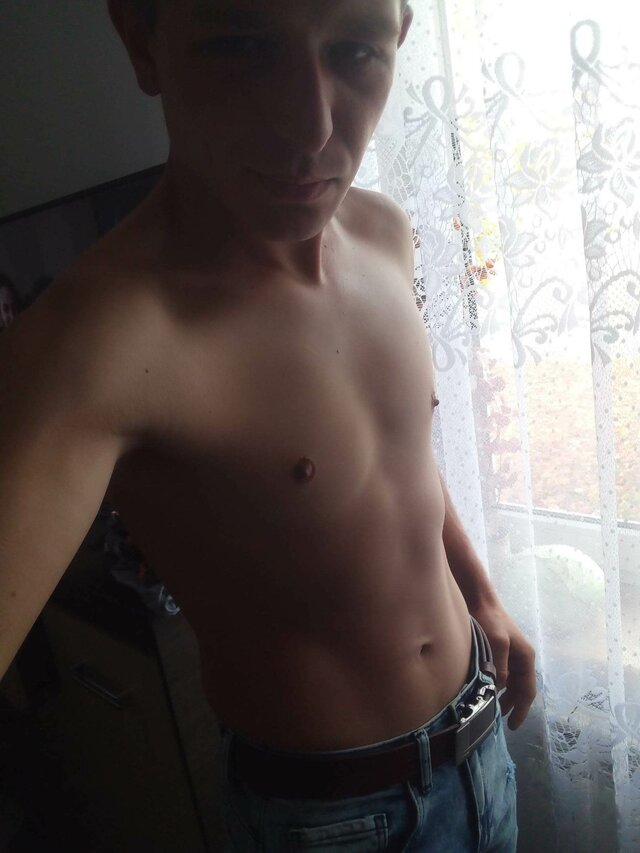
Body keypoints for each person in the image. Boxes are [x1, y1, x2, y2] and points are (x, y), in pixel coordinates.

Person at [0, 0, 537, 849]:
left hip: (483, 750)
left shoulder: (384, 233)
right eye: (241, 46)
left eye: (354, 51)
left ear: (399, 32)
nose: (311, 127)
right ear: (142, 40)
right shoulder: (93, 345)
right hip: (335, 822)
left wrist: (484, 596)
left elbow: (395, 461)